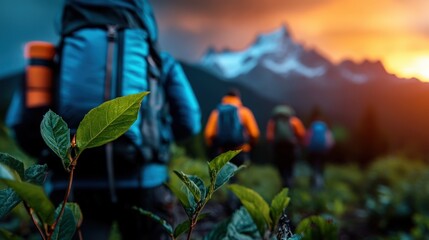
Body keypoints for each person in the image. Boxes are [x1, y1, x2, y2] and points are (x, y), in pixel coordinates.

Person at [7, 0, 202, 239]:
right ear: (145, 20)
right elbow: (190, 121)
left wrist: (53, 155)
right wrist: (156, 144)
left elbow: (20, 124)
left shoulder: (51, 62)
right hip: (143, 180)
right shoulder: (159, 62)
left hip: (73, 186)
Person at [204, 88, 260, 166]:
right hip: (241, 150)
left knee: (223, 176)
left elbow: (209, 134)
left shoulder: (217, 112)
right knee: (238, 174)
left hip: (222, 152)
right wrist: (250, 146)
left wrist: (214, 147)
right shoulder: (245, 112)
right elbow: (254, 134)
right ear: (238, 98)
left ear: (225, 98)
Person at [266, 105, 306, 188]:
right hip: (291, 147)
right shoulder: (294, 121)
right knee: (290, 166)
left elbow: (269, 137)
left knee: (281, 166)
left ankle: (284, 182)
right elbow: (302, 134)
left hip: (278, 148)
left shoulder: (273, 122)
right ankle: (290, 183)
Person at [305, 114, 335, 190]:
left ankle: (313, 183)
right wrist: (328, 148)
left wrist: (307, 147)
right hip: (322, 150)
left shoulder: (312, 127)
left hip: (313, 150)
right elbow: (330, 140)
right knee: (321, 167)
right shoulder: (325, 128)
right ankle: (320, 184)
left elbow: (307, 138)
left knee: (313, 166)